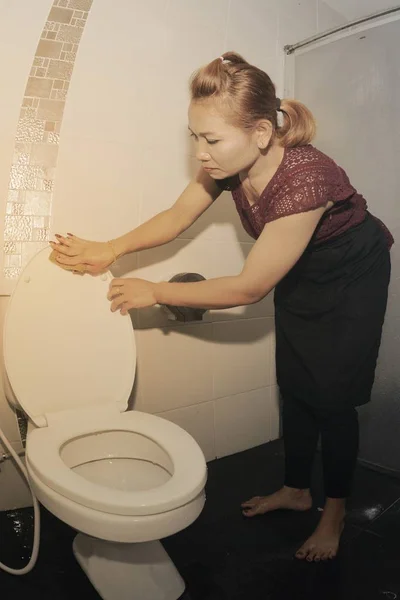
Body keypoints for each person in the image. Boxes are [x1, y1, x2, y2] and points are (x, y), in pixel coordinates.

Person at [50, 52, 393, 562]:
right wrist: (109, 249)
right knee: (297, 381)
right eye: (194, 137)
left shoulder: (307, 178)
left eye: (211, 140)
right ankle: (297, 490)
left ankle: (335, 513)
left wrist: (158, 291)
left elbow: (248, 288)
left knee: (333, 394)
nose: (200, 153)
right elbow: (176, 217)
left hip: (352, 276)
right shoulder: (230, 164)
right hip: (300, 268)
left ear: (260, 132)